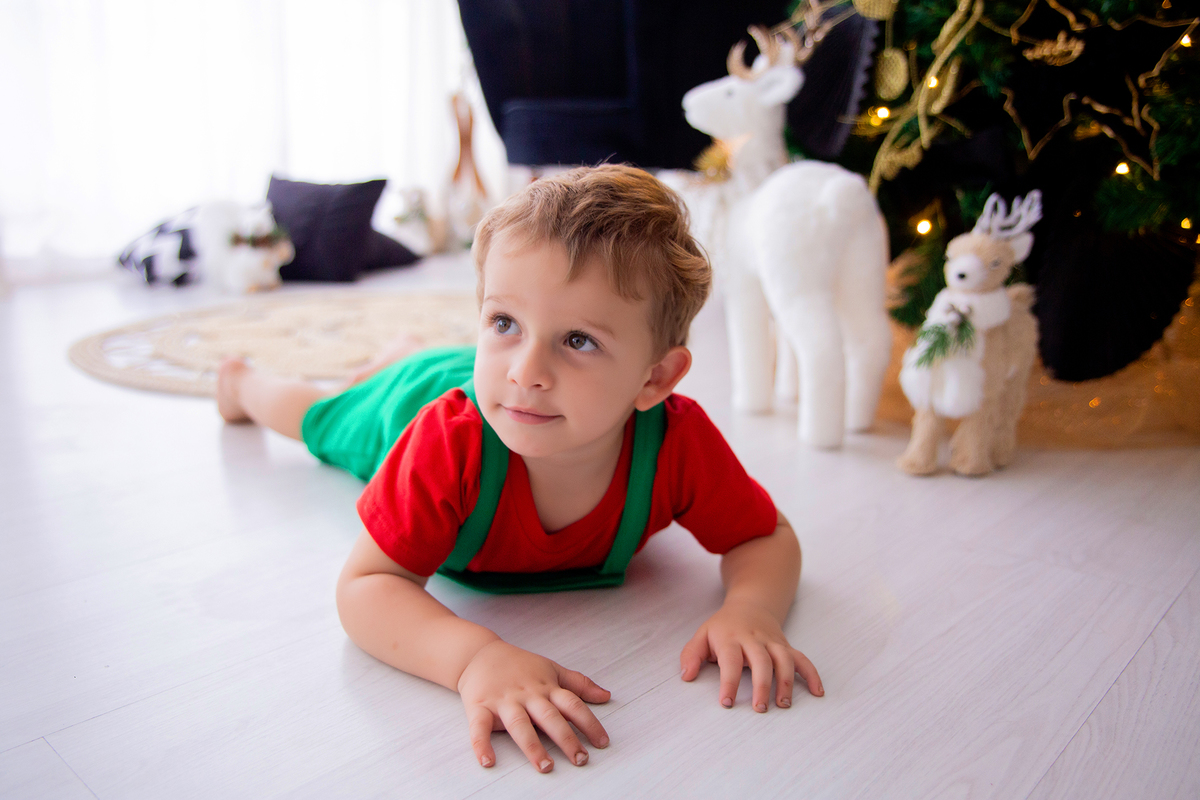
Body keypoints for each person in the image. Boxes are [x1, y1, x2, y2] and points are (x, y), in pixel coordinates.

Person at [216, 164, 823, 774]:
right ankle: (245, 383)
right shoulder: (447, 443)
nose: (526, 368)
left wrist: (752, 608)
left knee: (449, 368)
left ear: (655, 378)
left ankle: (406, 350)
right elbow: (365, 588)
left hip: (492, 400)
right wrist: (473, 658)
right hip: (405, 410)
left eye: (578, 340)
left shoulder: (676, 441)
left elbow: (764, 535)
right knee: (320, 422)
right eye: (503, 322)